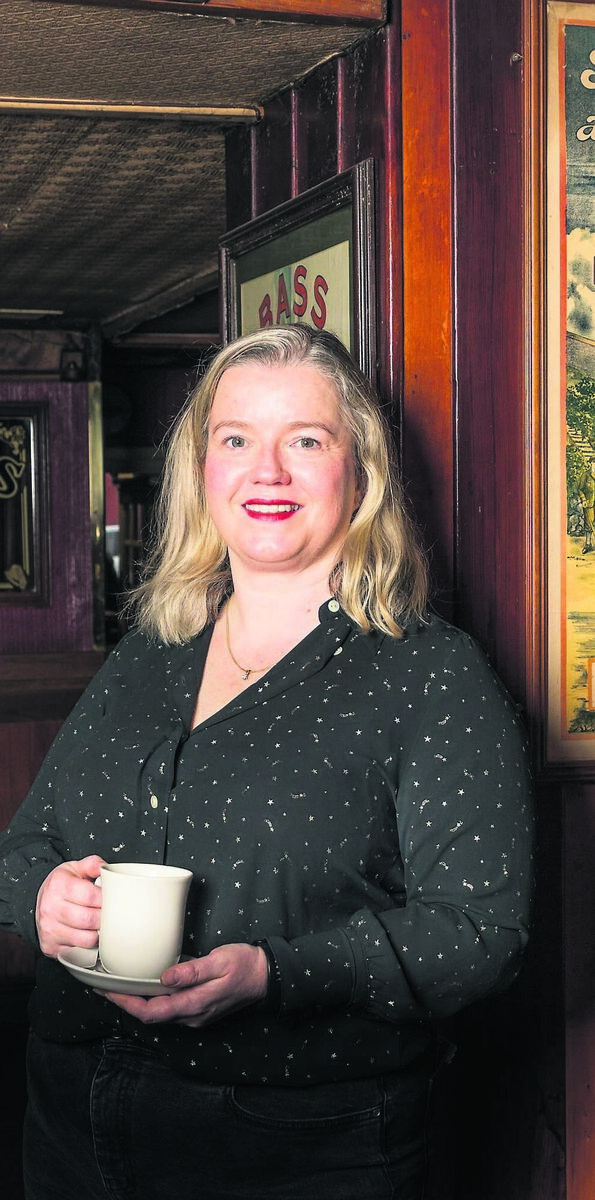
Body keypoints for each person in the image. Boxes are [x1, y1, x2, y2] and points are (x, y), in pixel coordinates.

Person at [0, 324, 533, 1200]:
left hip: (295, 1140)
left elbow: (483, 937)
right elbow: (26, 846)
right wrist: (41, 900)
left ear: (357, 473)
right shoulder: (150, 650)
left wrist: (279, 974)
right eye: (236, 439)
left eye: (306, 440)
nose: (267, 470)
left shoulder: (429, 672)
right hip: (69, 1116)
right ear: (202, 469)